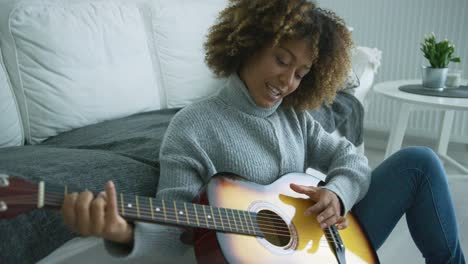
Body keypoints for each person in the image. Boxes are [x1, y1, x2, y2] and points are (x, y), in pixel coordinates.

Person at [62, 0, 465, 263]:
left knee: (420, 162)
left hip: (325, 248)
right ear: (248, 44)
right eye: (281, 60)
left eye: (301, 73)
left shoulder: (294, 116)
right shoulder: (193, 128)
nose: (288, 82)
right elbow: (175, 232)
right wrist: (120, 232)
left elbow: (351, 158)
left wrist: (338, 195)